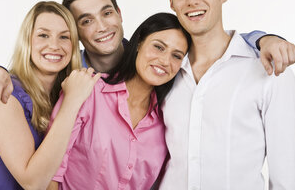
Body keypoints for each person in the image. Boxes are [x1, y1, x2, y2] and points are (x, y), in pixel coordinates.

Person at [0, 0, 295, 107]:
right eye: (85, 20)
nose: (101, 26)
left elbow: (208, 47)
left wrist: (262, 39)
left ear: (120, 14)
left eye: (107, 12)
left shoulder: (154, 60)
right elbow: (25, 80)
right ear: (75, 31)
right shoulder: (69, 76)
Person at [159, 0, 295, 189]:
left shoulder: (271, 71)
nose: (191, 1)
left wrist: (264, 39)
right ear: (172, 3)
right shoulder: (164, 71)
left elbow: (287, 177)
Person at [47, 12, 191, 190]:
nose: (164, 61)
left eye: (176, 56)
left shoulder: (168, 120)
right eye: (158, 47)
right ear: (139, 43)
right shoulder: (88, 91)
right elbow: (50, 172)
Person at [0, 1, 101, 189]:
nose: (54, 45)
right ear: (27, 40)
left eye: (64, 37)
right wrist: (72, 102)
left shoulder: (63, 94)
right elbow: (34, 183)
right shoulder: (3, 94)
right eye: (43, 35)